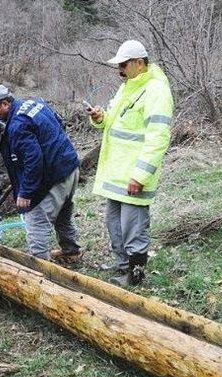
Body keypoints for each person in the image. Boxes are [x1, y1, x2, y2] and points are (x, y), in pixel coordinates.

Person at [87, 40, 173, 286]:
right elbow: (114, 122)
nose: (120, 70)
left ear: (139, 63)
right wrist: (100, 118)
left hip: (133, 175)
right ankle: (122, 265)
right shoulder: (128, 87)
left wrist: (140, 176)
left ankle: (135, 275)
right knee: (114, 224)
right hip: (117, 173)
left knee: (133, 227)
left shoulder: (156, 90)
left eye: (123, 65)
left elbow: (158, 138)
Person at [0, 85, 81, 262]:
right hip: (70, 167)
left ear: (5, 103)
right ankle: (71, 252)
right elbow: (59, 123)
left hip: (54, 175)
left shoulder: (17, 125)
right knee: (62, 214)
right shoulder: (34, 104)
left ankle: (42, 270)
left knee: (36, 222)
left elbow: (33, 159)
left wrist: (26, 191)